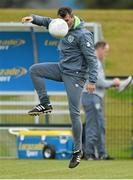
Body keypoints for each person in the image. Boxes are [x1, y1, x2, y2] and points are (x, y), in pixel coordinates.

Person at [21, 7, 98, 168]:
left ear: (73, 17)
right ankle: (45, 104)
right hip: (61, 69)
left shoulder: (83, 35)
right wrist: (33, 18)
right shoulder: (59, 24)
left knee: (74, 113)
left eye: (67, 20)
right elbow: (48, 22)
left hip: (76, 76)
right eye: (61, 20)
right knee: (35, 70)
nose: (64, 23)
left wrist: (92, 80)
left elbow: (92, 59)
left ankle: (77, 151)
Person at [82, 41, 121, 160]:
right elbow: (98, 82)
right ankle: (89, 153)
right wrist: (113, 83)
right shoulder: (94, 61)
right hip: (91, 96)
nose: (106, 54)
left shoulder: (96, 61)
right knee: (93, 125)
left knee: (99, 125)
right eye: (105, 51)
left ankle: (101, 153)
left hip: (94, 96)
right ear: (100, 49)